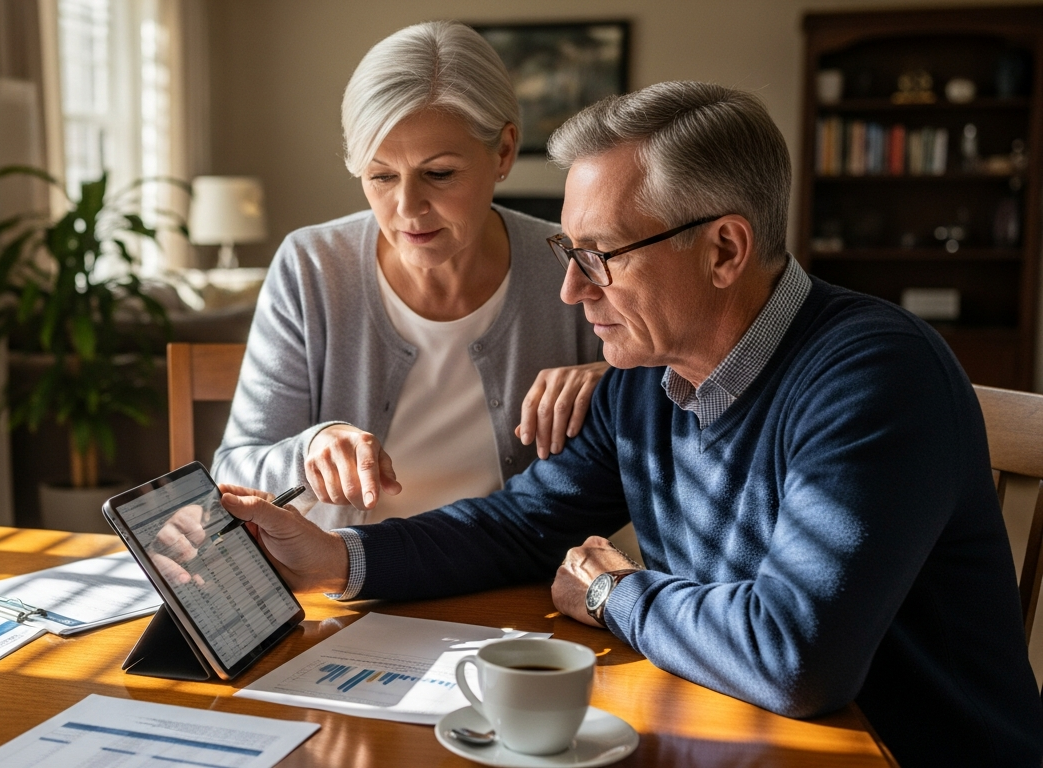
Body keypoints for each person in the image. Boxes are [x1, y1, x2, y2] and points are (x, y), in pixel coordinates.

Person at [209, 82, 1043, 766]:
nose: (575, 293)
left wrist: (613, 593)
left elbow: (797, 659)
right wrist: (337, 556)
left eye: (600, 257)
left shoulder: (875, 377)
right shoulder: (648, 378)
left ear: (723, 250)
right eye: (567, 255)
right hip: (734, 738)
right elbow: (520, 527)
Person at [212, 21, 606, 530]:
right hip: (339, 581)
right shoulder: (311, 266)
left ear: (504, 151)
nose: (407, 208)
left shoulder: (569, 265)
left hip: (515, 586)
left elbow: (678, 402)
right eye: (381, 176)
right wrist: (308, 449)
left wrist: (615, 383)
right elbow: (233, 469)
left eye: (439, 174)